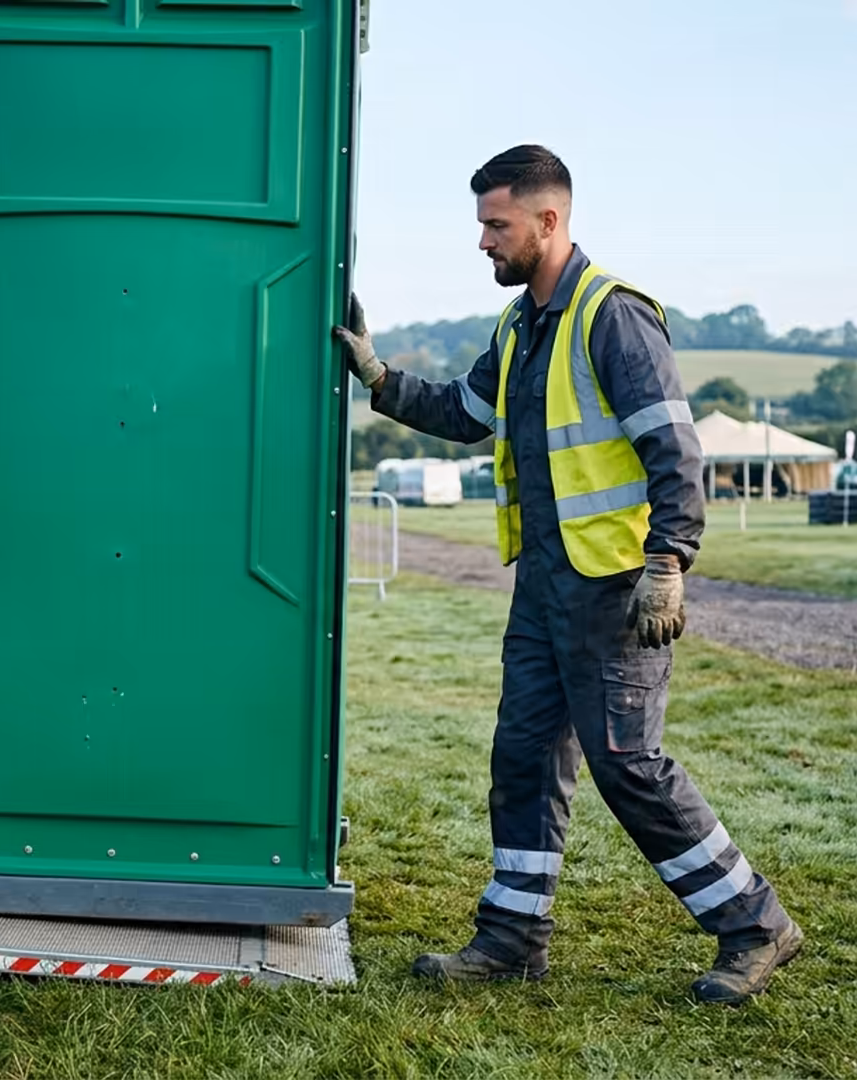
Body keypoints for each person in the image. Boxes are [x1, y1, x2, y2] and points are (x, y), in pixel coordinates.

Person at [334, 145, 801, 1005]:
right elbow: (465, 413)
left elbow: (674, 446)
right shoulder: (518, 328)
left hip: (618, 585)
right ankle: (511, 938)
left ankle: (755, 924)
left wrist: (669, 562)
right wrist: (377, 374)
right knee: (522, 756)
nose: (482, 242)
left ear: (548, 222)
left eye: (495, 225)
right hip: (546, 584)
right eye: (481, 224)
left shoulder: (611, 315)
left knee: (627, 762)